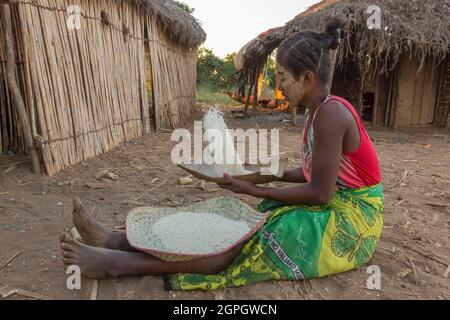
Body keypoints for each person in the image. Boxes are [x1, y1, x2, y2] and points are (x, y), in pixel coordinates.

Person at [60, 19, 384, 291]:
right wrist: (263, 174)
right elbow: (318, 173)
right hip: (335, 203)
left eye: (282, 76)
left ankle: (116, 264)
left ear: (308, 78)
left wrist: (255, 189)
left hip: (353, 221)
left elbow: (322, 192)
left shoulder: (330, 116)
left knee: (246, 243)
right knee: (240, 224)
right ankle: (117, 241)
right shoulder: (320, 111)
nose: (277, 83)